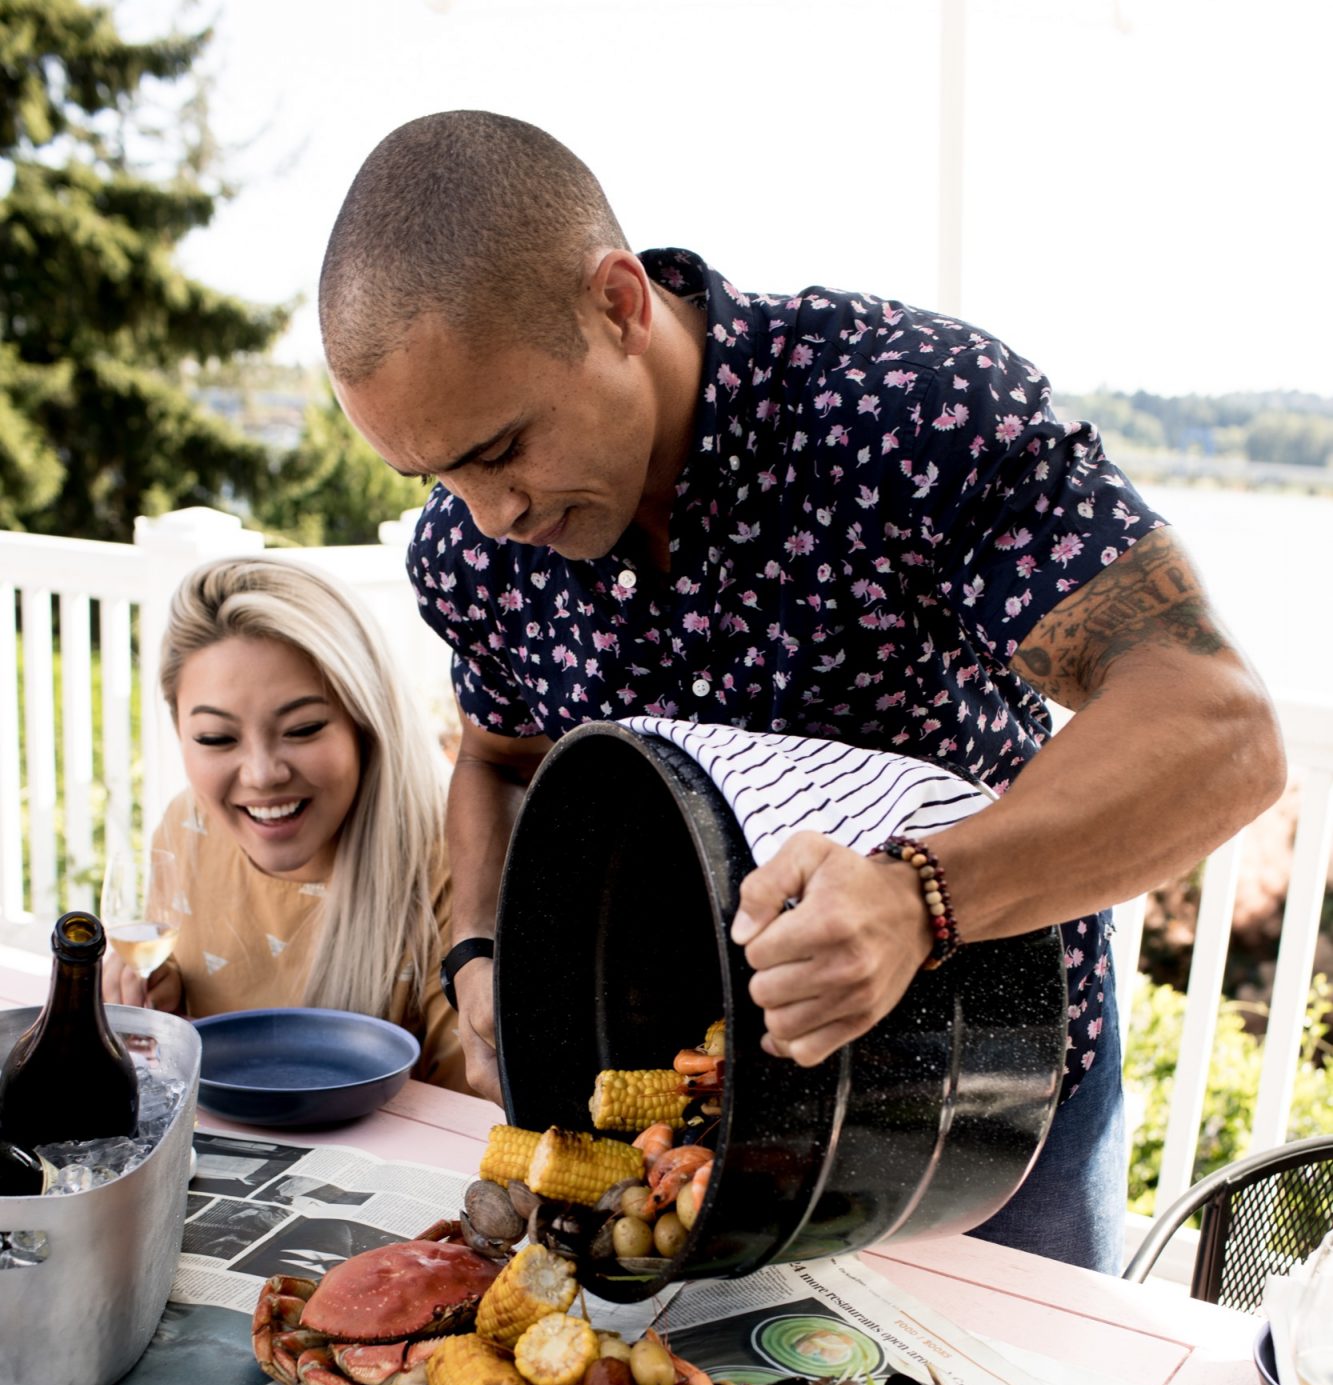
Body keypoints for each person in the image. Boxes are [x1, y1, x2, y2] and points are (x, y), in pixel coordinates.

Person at [317, 111, 1285, 1270]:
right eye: (435, 474)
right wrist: (475, 954)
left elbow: (1219, 725)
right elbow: (497, 754)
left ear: (618, 304)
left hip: (979, 1102)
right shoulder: (468, 549)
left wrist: (918, 899)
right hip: (687, 1126)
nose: (490, 514)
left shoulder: (904, 408)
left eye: (503, 446)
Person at [102, 558, 468, 1091]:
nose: (262, 774)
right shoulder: (186, 829)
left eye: (302, 728)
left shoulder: (454, 858)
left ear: (366, 723)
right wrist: (158, 995)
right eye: (215, 738)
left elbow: (477, 1110)